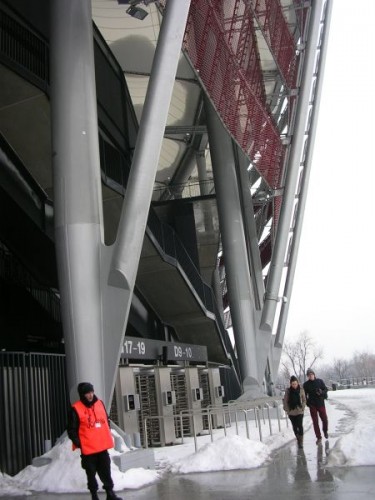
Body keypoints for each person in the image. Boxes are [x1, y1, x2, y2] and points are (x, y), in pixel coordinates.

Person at [67, 382, 122, 500]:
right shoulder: (76, 409)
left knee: (106, 471)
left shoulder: (99, 403)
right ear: (82, 394)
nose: (91, 395)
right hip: (88, 449)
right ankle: (94, 495)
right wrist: (80, 444)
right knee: (90, 474)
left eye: (92, 392)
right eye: (87, 393)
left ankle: (110, 493)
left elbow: (106, 420)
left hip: (102, 446)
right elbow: (71, 430)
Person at [303, 368, 329, 444]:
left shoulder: (320, 381)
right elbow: (304, 395)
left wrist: (321, 392)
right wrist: (307, 403)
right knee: (315, 421)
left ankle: (325, 431)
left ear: (314, 374)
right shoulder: (306, 384)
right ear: (307, 376)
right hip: (312, 405)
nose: (310, 376)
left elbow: (326, 389)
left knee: (324, 419)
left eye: (312, 374)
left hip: (320, 403)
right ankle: (318, 437)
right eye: (309, 375)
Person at [283, 375, 306, 448]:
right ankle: (298, 438)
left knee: (300, 425)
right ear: (290, 384)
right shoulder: (288, 391)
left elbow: (304, 399)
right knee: (295, 426)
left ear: (298, 383)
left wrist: (302, 407)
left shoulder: (301, 389)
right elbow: (285, 401)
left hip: (299, 411)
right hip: (291, 411)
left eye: (295, 384)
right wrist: (287, 410)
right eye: (293, 384)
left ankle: (301, 442)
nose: (294, 385)